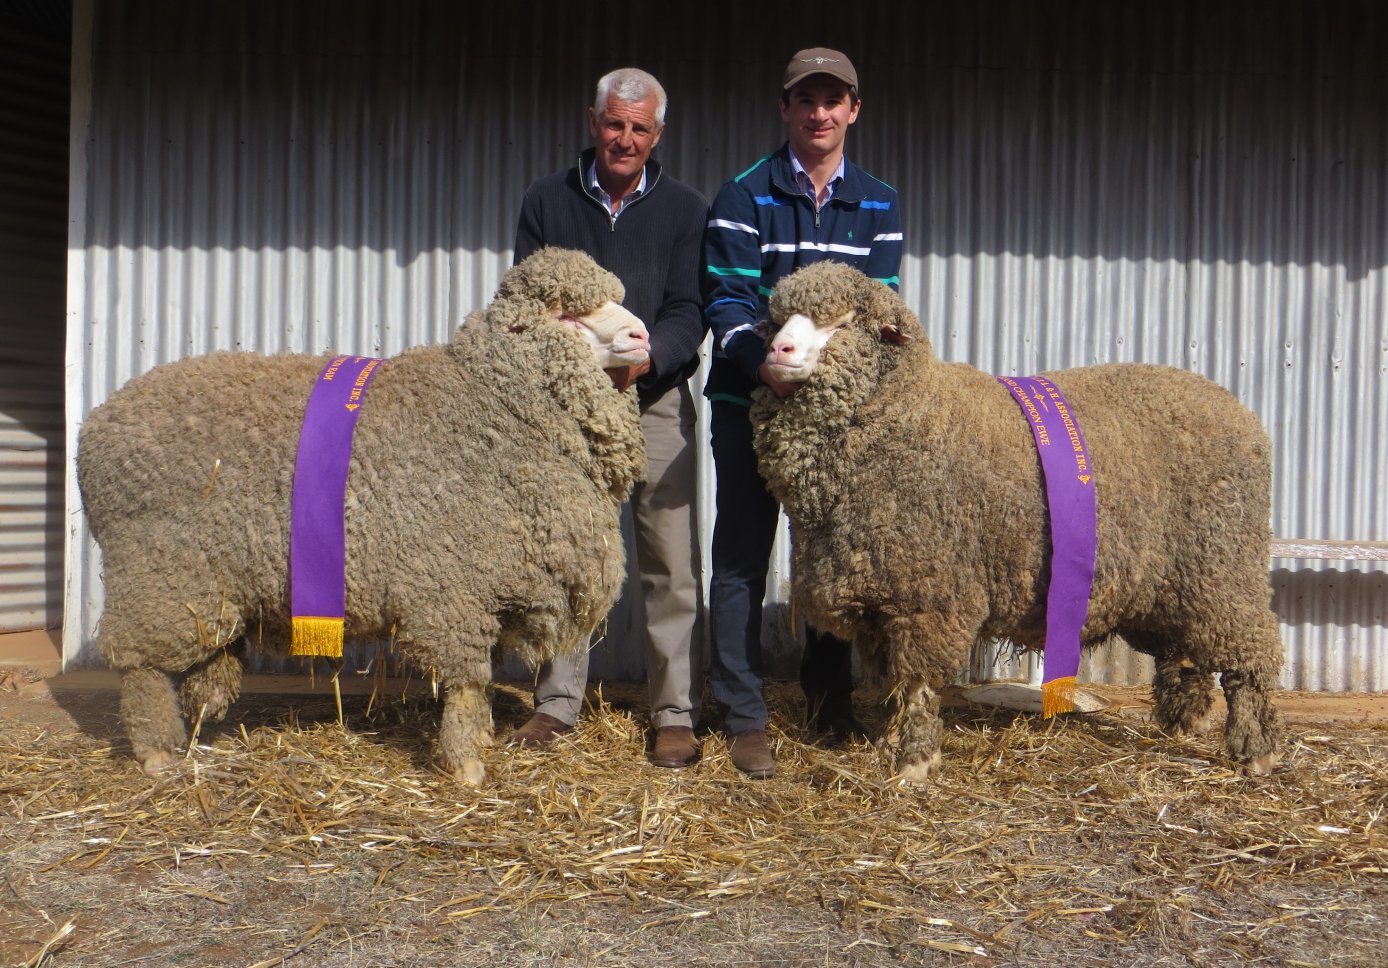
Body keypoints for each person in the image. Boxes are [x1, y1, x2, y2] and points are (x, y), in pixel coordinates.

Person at [702, 47, 904, 778]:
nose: (819, 113)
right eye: (805, 100)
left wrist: (830, 376)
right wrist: (765, 368)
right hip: (750, 401)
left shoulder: (879, 203)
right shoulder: (743, 195)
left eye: (833, 101)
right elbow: (725, 299)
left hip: (833, 416)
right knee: (742, 556)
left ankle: (829, 701)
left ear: (853, 110)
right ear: (784, 109)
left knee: (831, 556)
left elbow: (877, 310)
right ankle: (744, 712)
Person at [509, 67, 710, 769]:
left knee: (670, 562)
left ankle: (674, 712)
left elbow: (691, 310)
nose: (625, 139)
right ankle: (557, 703)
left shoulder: (686, 209)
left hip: (654, 401)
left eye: (639, 128)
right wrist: (577, 363)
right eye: (614, 123)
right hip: (569, 408)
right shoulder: (547, 200)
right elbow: (528, 302)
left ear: (658, 135)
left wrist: (647, 362)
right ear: (592, 122)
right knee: (569, 555)